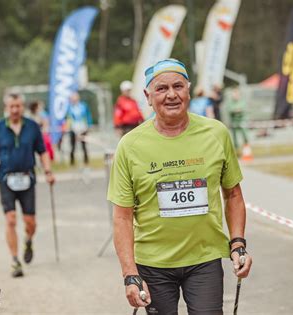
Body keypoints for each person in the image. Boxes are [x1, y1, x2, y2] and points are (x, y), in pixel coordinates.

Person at [108, 59, 252, 314]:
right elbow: (122, 217)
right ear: (148, 96)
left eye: (178, 86)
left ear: (188, 90)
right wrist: (130, 275)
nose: (171, 94)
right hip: (153, 264)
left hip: (204, 259)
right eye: (162, 89)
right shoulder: (130, 146)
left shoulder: (216, 133)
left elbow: (233, 195)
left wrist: (237, 243)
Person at [0, 93, 55, 278]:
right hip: (6, 179)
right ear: (6, 107)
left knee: (31, 222)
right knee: (11, 219)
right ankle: (15, 261)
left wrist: (48, 172)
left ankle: (28, 240)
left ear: (22, 107)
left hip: (27, 178)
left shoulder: (32, 127)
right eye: (11, 106)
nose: (15, 109)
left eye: (18, 106)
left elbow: (42, 151)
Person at [66, 92, 92, 166]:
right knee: (72, 146)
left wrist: (88, 125)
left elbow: (88, 116)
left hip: (82, 128)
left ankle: (86, 160)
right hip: (73, 129)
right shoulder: (70, 107)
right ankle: (72, 161)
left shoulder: (83, 106)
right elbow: (68, 118)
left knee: (84, 145)